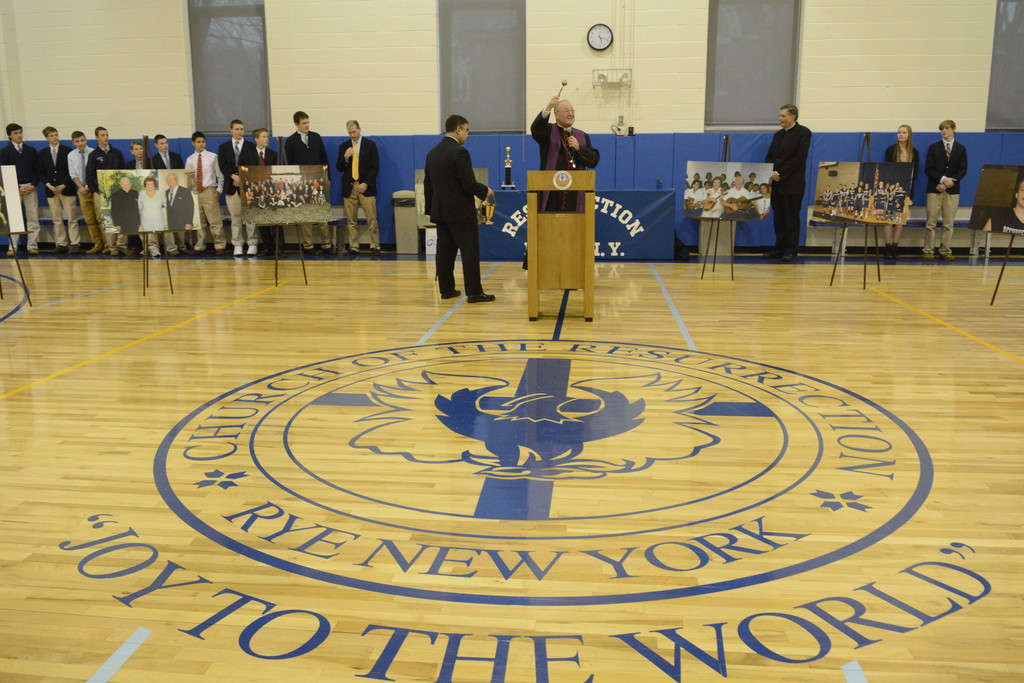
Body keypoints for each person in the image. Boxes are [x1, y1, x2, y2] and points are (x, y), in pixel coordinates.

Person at [424, 114, 494, 303]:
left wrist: (432, 209)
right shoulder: (460, 152)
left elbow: (427, 184)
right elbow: (468, 183)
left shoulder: (432, 153)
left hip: (441, 212)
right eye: (467, 130)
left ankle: (446, 289)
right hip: (460, 212)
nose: (467, 134)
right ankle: (474, 292)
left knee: (445, 252)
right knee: (470, 251)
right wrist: (484, 190)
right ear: (459, 130)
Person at [530, 95, 599, 212]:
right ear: (556, 115)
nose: (571, 113)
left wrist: (579, 148)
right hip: (552, 193)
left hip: (576, 193)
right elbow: (536, 129)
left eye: (572, 110)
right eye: (566, 110)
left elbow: (593, 161)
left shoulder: (582, 136)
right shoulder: (548, 131)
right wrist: (549, 107)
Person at [764, 104, 812, 262]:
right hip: (776, 184)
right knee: (779, 217)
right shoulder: (778, 135)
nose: (780, 119)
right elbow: (770, 156)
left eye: (783, 116)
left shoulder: (803, 133)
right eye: (780, 116)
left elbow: (799, 159)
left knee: (791, 217)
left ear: (793, 117)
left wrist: (781, 174)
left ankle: (791, 249)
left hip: (792, 184)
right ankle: (778, 247)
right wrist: (771, 172)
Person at [284, 111, 331, 253]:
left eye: (308, 122)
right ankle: (308, 245)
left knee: (322, 213)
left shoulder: (316, 137)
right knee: (306, 215)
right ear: (296, 124)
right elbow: (288, 164)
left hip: (318, 180)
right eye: (304, 123)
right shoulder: (291, 141)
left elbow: (324, 158)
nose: (307, 125)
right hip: (301, 183)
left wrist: (327, 177)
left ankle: (326, 244)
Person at [923, 119, 967, 261]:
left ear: (953, 129)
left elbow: (963, 170)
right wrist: (942, 179)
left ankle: (945, 250)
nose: (944, 131)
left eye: (947, 128)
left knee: (948, 223)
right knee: (931, 222)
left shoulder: (961, 148)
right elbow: (928, 169)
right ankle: (928, 250)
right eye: (942, 129)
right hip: (934, 189)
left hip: (952, 191)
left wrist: (949, 182)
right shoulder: (933, 148)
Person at [336, 119, 380, 256]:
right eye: (349, 133)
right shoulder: (344, 146)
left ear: (359, 130)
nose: (352, 135)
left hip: (366, 185)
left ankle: (375, 245)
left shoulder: (370, 145)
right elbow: (339, 167)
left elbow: (375, 167)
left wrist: (366, 183)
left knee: (371, 218)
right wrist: (345, 157)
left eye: (354, 132)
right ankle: (354, 246)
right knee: (351, 219)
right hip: (349, 186)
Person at [238, 128, 281, 257]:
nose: (266, 139)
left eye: (267, 137)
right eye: (263, 137)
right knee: (261, 220)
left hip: (271, 191)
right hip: (255, 191)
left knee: (275, 220)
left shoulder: (273, 154)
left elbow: (277, 173)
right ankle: (268, 247)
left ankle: (279, 247)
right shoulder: (247, 154)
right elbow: (242, 170)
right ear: (256, 139)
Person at [218, 119, 258, 257]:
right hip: (231, 186)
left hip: (247, 186)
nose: (240, 131)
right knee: (235, 217)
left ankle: (252, 243)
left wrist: (242, 179)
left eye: (242, 129)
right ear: (231, 130)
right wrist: (233, 176)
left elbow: (254, 165)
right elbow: (222, 165)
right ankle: (238, 244)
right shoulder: (223, 147)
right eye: (237, 129)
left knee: (249, 216)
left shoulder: (252, 146)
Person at [85, 126, 126, 255]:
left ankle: (120, 245)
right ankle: (111, 246)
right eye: (102, 135)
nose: (106, 137)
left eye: (107, 134)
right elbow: (89, 175)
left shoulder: (116, 153)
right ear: (97, 137)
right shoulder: (93, 155)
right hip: (100, 193)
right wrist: (95, 191)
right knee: (106, 220)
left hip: (116, 192)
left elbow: (123, 172)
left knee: (119, 218)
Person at [1, 123, 41, 256]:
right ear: (9, 136)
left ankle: (33, 246)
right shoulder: (5, 152)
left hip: (30, 187)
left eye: (20, 132)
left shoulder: (31, 151)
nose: (19, 135)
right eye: (16, 133)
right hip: (13, 189)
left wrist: (34, 185)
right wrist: (16, 188)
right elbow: (4, 172)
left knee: (33, 217)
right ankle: (13, 247)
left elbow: (38, 170)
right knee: (13, 219)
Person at [881, 124, 920, 259]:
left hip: (906, 190)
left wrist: (907, 190)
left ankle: (895, 247)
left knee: (899, 220)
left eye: (903, 132)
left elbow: (915, 173)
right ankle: (887, 247)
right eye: (899, 132)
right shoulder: (891, 150)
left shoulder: (914, 152)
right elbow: (887, 170)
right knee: (889, 220)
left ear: (909, 135)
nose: (901, 134)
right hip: (891, 190)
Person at [38, 126, 78, 253]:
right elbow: (41, 172)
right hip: (51, 190)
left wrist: (64, 185)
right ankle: (62, 243)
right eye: (51, 136)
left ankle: (75, 243)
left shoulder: (67, 151)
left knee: (72, 217)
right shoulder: (43, 153)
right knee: (57, 218)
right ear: (46, 138)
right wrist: (48, 185)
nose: (55, 137)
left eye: (56, 135)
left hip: (66, 189)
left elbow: (71, 170)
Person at [185, 131, 225, 255]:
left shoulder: (213, 157)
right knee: (199, 221)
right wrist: (189, 193)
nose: (201, 144)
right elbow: (188, 178)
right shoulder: (190, 159)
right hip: (196, 191)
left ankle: (219, 244)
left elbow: (220, 175)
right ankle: (200, 245)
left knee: (214, 220)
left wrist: (218, 190)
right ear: (193, 143)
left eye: (203, 141)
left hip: (209, 190)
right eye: (198, 142)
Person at [67, 131, 103, 254]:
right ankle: (97, 243)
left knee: (101, 218)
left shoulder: (93, 153)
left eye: (82, 140)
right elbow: (73, 174)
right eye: (77, 141)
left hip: (94, 189)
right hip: (81, 190)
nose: (80, 143)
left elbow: (94, 172)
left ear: (86, 140)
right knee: (89, 219)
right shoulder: (71, 155)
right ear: (73, 142)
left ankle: (107, 244)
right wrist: (81, 187)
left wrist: (88, 187)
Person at [150, 134, 186, 254]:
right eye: (162, 143)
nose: (165, 145)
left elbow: (182, 174)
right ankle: (171, 247)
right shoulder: (153, 160)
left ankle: (181, 245)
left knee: (179, 220)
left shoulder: (176, 157)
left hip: (176, 192)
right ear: (156, 145)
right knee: (167, 221)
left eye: (166, 143)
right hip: (162, 194)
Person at [162, 172, 191, 256]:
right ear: (167, 181)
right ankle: (171, 249)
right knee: (168, 232)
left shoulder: (185, 191)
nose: (170, 181)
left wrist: (188, 221)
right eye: (169, 179)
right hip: (169, 217)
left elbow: (190, 207)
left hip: (181, 217)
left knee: (181, 234)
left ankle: (182, 247)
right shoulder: (166, 192)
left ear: (177, 180)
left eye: (173, 179)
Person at [137, 176, 166, 257]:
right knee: (140, 229)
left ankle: (154, 249)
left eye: (151, 184)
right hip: (144, 218)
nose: (150, 186)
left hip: (158, 219)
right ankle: (146, 248)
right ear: (145, 185)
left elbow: (166, 205)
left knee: (151, 230)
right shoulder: (141, 194)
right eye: (148, 184)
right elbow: (139, 207)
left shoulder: (160, 193)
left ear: (154, 185)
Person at [109, 176, 141, 246]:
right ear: (121, 185)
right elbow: (114, 210)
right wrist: (116, 223)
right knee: (122, 240)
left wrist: (139, 222)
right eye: (124, 184)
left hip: (134, 221)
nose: (127, 186)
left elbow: (138, 208)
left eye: (128, 184)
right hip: (122, 221)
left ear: (130, 184)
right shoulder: (115, 195)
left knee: (135, 240)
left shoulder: (135, 193)